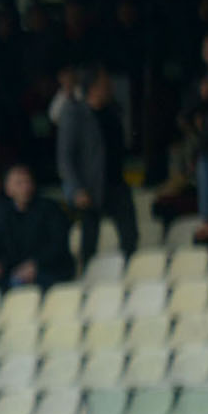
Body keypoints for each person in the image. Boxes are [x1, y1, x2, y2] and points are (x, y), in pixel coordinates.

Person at [57, 68, 138, 267]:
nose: (110, 88)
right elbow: (65, 157)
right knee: (89, 239)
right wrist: (76, 188)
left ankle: (129, 270)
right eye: (105, 84)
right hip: (90, 186)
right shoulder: (75, 114)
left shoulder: (113, 111)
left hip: (116, 182)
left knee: (130, 234)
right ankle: (88, 276)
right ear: (93, 88)